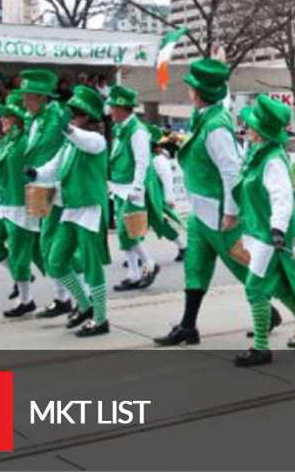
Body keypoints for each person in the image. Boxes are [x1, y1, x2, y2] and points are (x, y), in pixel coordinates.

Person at [154, 59, 282, 346]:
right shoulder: (207, 115)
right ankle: (188, 326)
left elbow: (231, 171)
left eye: (189, 87)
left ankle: (273, 312)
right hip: (202, 213)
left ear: (197, 92)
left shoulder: (216, 127)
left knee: (243, 268)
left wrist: (231, 213)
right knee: (195, 267)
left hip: (220, 215)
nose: (187, 90)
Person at [233, 95, 295, 366]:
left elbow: (282, 198)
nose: (247, 128)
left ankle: (261, 347)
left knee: (255, 288)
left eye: (250, 125)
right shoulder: (258, 155)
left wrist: (277, 231)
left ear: (261, 131)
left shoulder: (272, 160)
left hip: (269, 236)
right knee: (281, 286)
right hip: (260, 231)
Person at [26, 85, 112, 338]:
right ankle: (84, 305)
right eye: (71, 113)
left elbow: (83, 140)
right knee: (55, 261)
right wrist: (36, 174)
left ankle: (100, 318)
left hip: (90, 209)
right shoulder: (69, 144)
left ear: (88, 116)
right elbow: (53, 167)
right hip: (72, 209)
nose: (72, 116)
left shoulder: (96, 140)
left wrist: (67, 127)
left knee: (91, 264)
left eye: (76, 113)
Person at [0, 92, 43, 317]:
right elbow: (6, 179)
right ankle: (19, 275)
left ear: (17, 118)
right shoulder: (7, 142)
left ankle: (27, 300)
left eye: (7, 116)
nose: (2, 120)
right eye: (2, 117)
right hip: (6, 205)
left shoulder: (25, 141)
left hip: (23, 207)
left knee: (26, 255)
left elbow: (36, 172)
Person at [20, 69, 75, 319]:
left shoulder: (57, 116)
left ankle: (78, 297)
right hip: (39, 185)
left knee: (56, 245)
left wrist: (44, 174)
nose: (24, 103)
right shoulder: (34, 119)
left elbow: (66, 148)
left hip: (56, 187)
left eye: (28, 97)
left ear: (41, 97)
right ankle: (64, 297)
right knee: (45, 243)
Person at [106, 85, 160, 292]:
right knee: (124, 232)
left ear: (121, 108)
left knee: (127, 231)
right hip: (119, 186)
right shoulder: (121, 129)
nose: (110, 111)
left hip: (130, 188)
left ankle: (149, 265)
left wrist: (136, 188)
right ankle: (134, 273)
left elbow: (142, 161)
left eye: (113, 107)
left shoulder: (137, 130)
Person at [149, 126, 187, 261]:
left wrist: (169, 198)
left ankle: (184, 246)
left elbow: (167, 179)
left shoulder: (158, 160)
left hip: (156, 198)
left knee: (161, 224)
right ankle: (135, 253)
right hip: (147, 198)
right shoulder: (148, 158)